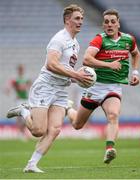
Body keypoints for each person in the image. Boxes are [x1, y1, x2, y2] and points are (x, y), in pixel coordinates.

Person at [6, 4, 93, 173]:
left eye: (82, 18)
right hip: (45, 87)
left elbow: (65, 69)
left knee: (54, 130)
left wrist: (80, 79)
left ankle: (31, 164)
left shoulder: (76, 43)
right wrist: (76, 75)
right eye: (77, 18)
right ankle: (24, 111)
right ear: (67, 20)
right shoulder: (59, 39)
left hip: (61, 89)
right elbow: (51, 64)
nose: (80, 21)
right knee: (38, 131)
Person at [67, 9, 140, 164]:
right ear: (103, 24)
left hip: (113, 88)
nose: (109, 24)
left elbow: (136, 53)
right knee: (77, 125)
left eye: (113, 21)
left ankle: (109, 149)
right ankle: (68, 108)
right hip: (94, 88)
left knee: (113, 115)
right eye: (106, 21)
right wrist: (109, 65)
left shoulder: (128, 40)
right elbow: (86, 59)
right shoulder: (99, 40)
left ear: (118, 23)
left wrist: (135, 72)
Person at [5, 64, 31, 140]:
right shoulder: (16, 79)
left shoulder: (26, 78)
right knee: (19, 118)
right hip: (19, 100)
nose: (21, 71)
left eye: (22, 69)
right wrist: (8, 89)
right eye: (20, 69)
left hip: (26, 99)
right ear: (18, 70)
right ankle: (20, 133)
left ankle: (23, 132)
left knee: (26, 117)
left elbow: (30, 85)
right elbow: (10, 85)